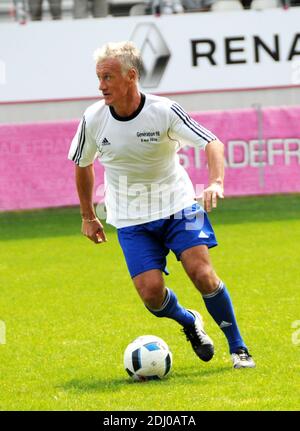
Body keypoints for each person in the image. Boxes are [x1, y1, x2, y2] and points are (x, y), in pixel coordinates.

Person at [68, 41, 255, 369]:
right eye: (99, 78)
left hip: (180, 206)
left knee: (203, 274)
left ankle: (238, 348)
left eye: (108, 77)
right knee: (151, 295)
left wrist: (215, 182)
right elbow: (82, 164)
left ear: (131, 76)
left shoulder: (164, 110)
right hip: (130, 218)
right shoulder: (93, 119)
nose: (101, 86)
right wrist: (87, 216)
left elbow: (212, 142)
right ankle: (189, 322)